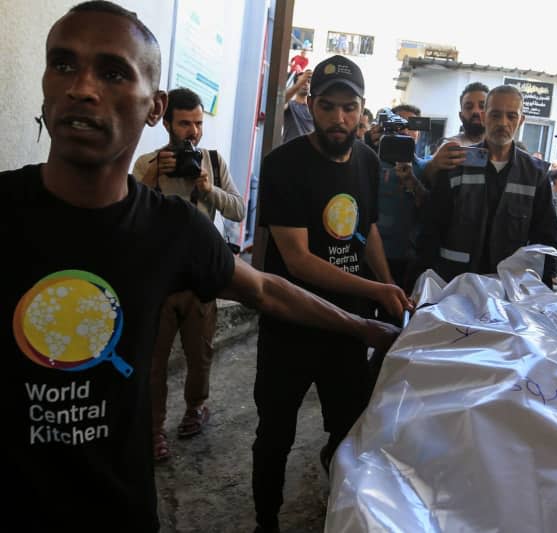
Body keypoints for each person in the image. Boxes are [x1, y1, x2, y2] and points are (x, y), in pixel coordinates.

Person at [2, 4, 400, 531]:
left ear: (152, 106)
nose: (82, 88)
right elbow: (288, 264)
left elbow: (266, 289)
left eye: (114, 71)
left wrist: (367, 324)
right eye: (63, 65)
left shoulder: (171, 229)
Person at [253, 55, 412, 533]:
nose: (338, 119)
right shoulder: (283, 165)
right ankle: (265, 521)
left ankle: (341, 512)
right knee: (275, 435)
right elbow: (297, 259)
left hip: (349, 330)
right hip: (292, 324)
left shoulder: (367, 159)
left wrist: (389, 288)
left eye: (349, 108)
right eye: (327, 106)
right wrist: (376, 288)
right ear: (311, 104)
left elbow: (368, 232)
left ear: (363, 110)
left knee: (349, 429)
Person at [132, 87, 245, 461]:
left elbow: (239, 212)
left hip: (200, 277)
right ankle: (153, 428)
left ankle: (197, 407)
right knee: (153, 362)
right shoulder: (148, 162)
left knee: (200, 355)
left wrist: (210, 191)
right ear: (166, 123)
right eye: (184, 123)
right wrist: (150, 178)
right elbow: (128, 213)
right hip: (158, 278)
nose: (193, 132)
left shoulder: (212, 160)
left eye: (198, 123)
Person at [416, 84, 557, 286]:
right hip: (455, 285)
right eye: (495, 115)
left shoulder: (535, 175)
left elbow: (546, 239)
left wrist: (541, 287)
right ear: (483, 117)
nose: (503, 123)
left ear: (521, 120)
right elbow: (431, 230)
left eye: (511, 116)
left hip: (509, 289)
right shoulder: (456, 165)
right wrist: (425, 285)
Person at [375, 104, 431, 294]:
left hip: (407, 258)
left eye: (411, 126)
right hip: (372, 254)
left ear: (419, 133)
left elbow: (430, 209)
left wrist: (412, 182)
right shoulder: (370, 161)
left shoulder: (426, 168)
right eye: (398, 125)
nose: (405, 130)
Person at [420, 81, 489, 183]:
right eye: (469, 107)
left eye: (482, 106)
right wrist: (434, 165)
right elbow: (430, 183)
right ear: (461, 116)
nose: (476, 111)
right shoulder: (449, 146)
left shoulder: (504, 147)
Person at [282, 69, 313, 144]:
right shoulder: (290, 105)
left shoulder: (314, 108)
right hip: (291, 151)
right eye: (303, 82)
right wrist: (298, 85)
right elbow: (280, 102)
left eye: (308, 82)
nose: (306, 84)